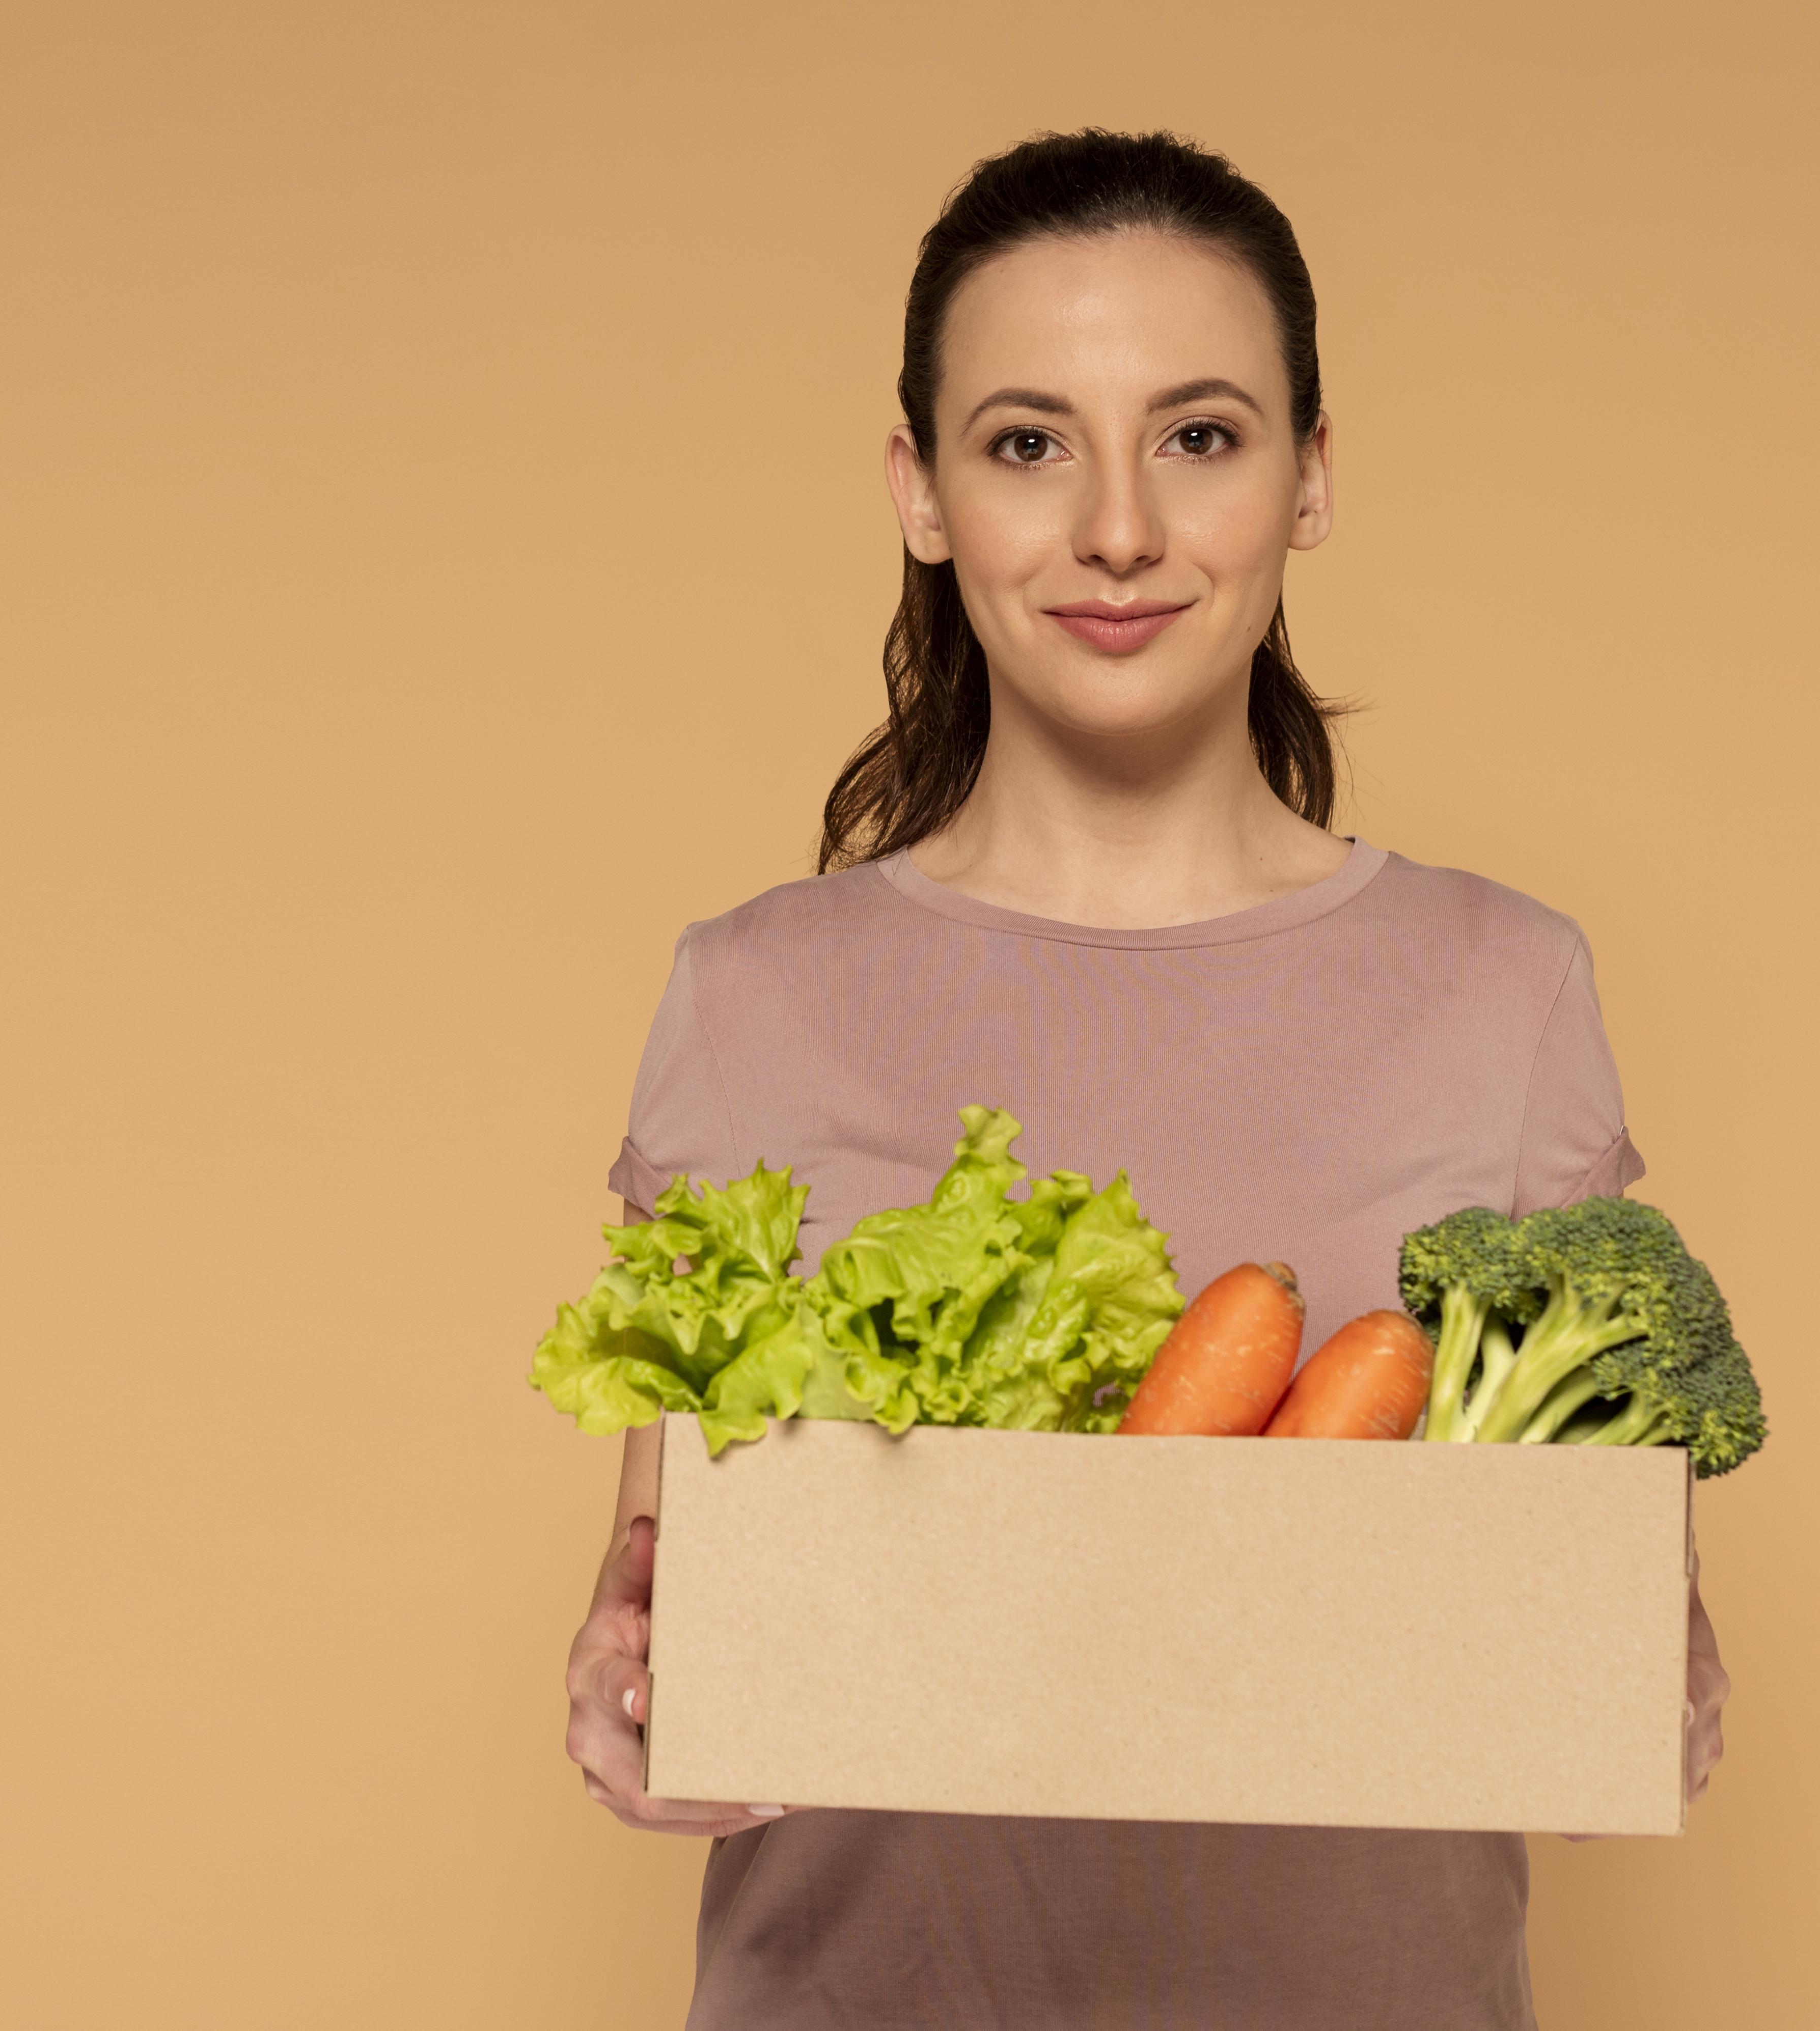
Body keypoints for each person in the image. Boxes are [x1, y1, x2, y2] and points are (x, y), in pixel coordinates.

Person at [553, 130, 1733, 2027]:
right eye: (1028, 441)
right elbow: (672, 1612)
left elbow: (1592, 1632)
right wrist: (628, 1694)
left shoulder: (1504, 989)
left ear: (1311, 474)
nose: (1119, 528)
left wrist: (1638, 1672)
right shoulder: (753, 996)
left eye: (1199, 435)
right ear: (920, 491)